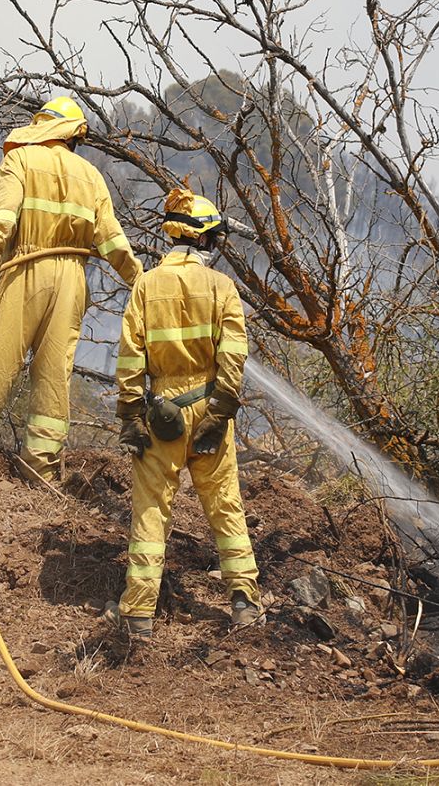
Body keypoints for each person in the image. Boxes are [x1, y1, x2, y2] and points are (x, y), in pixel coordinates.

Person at [105, 187, 263, 639]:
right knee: (225, 506)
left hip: (161, 416)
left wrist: (132, 414)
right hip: (209, 405)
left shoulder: (145, 286)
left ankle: (137, 615)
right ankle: (244, 604)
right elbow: (234, 355)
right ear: (206, 241)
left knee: (151, 512)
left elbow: (130, 358)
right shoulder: (221, 287)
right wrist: (222, 410)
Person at [0, 96, 143, 482]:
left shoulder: (20, 161)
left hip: (23, 270)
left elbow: (2, 219)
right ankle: (39, 472)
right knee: (53, 376)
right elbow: (113, 242)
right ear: (74, 135)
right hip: (72, 280)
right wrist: (141, 283)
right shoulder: (91, 176)